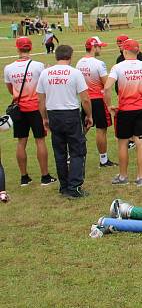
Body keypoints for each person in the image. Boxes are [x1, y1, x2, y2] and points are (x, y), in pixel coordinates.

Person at [36, 45, 92, 198]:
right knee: (77, 151)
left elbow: (40, 100)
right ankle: (74, 187)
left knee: (60, 152)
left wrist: (44, 117)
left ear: (56, 56)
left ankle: (64, 186)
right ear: (71, 56)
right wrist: (89, 115)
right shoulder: (75, 73)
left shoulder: (45, 73)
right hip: (71, 114)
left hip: (54, 114)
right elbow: (85, 99)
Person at [4, 37, 56, 187]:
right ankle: (45, 176)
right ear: (31, 48)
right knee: (40, 140)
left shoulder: (8, 68)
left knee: (21, 142)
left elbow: (10, 89)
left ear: (17, 48)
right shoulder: (38, 66)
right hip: (36, 108)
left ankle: (24, 177)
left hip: (19, 109)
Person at [104, 39, 142, 187]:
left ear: (125, 51)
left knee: (123, 143)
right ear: (137, 52)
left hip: (125, 110)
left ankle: (123, 176)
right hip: (141, 109)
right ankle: (140, 177)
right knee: (140, 141)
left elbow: (107, 88)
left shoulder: (118, 67)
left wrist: (108, 106)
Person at [77, 36, 117, 168]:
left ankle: (71, 153)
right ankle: (103, 160)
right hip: (98, 100)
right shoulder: (99, 64)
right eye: (99, 46)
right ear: (94, 47)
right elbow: (106, 85)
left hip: (85, 100)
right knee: (101, 129)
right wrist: (109, 104)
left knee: (84, 127)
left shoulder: (79, 63)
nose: (101, 49)